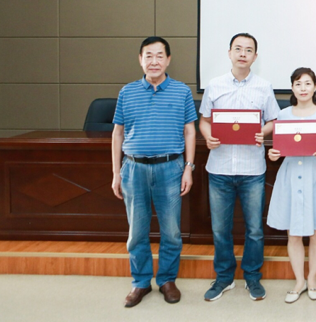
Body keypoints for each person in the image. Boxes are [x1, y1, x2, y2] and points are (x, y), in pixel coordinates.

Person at [111, 36, 197, 308]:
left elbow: (190, 131)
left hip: (170, 168)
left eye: (160, 55)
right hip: (134, 168)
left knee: (171, 231)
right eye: (148, 55)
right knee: (137, 231)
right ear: (140, 59)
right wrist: (116, 173)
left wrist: (188, 168)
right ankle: (140, 282)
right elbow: (117, 133)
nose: (154, 61)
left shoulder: (182, 91)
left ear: (168, 60)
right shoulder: (127, 92)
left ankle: (167, 280)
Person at [197, 33, 280, 302]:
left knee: (254, 229)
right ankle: (224, 277)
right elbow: (204, 120)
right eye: (238, 49)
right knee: (220, 229)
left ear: (255, 56)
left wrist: (262, 132)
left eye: (248, 50)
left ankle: (252, 277)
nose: (243, 54)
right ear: (230, 53)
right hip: (219, 168)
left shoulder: (264, 87)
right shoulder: (215, 85)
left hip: (252, 170)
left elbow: (273, 121)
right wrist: (208, 136)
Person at [267, 67, 316, 303]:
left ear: (315, 87)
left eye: (307, 83)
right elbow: (278, 147)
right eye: (298, 84)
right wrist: (273, 154)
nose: (303, 88)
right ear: (292, 88)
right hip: (290, 175)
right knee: (293, 232)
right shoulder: (283, 115)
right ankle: (299, 281)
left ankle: (312, 279)